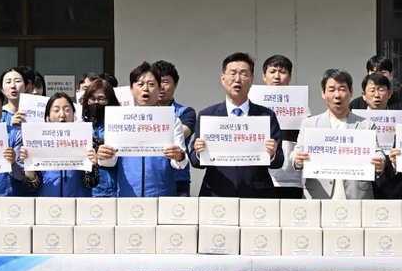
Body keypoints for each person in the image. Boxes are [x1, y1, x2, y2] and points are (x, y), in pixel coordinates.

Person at [190, 52, 283, 198]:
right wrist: (198, 152)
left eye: (244, 74)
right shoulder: (208, 115)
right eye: (232, 73)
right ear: (223, 78)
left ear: (252, 79)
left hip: (257, 193)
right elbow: (195, 161)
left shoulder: (266, 115)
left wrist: (272, 154)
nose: (238, 79)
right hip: (217, 192)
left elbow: (279, 160)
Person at [90, 63, 188, 198]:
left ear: (159, 89)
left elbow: (181, 162)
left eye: (151, 84)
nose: (145, 89)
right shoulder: (119, 119)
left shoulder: (171, 120)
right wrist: (104, 155)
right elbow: (110, 162)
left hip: (162, 194)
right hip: (128, 194)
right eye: (140, 84)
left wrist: (179, 156)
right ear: (131, 89)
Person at [290, 69, 385, 199]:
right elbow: (296, 152)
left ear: (351, 92)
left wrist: (380, 161)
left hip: (357, 196)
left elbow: (378, 152)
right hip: (319, 195)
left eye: (342, 89)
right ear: (323, 93)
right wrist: (297, 159)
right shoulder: (310, 124)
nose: (337, 95)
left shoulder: (366, 125)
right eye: (331, 89)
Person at [22, 93, 93, 198]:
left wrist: (93, 165)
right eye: (56, 110)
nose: (62, 115)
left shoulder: (86, 139)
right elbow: (32, 187)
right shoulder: (37, 141)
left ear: (74, 114)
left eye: (67, 110)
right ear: (48, 116)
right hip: (48, 204)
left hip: (78, 203)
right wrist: (29, 167)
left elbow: (92, 183)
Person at [261, 54, 303, 200]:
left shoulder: (299, 105)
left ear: (290, 76)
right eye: (272, 72)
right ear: (264, 76)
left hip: (291, 178)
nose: (277, 76)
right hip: (261, 177)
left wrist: (307, 125)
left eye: (282, 72)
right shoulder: (253, 104)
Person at [154, 60, 197, 196]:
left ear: (175, 84)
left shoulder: (186, 112)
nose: (161, 87)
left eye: (165, 82)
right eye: (156, 82)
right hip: (151, 178)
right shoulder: (140, 114)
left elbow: (179, 134)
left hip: (178, 179)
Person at [82, 78, 120, 197]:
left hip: (109, 190)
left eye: (101, 99)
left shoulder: (117, 126)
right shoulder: (80, 125)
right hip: (84, 191)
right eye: (92, 98)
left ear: (110, 101)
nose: (96, 102)